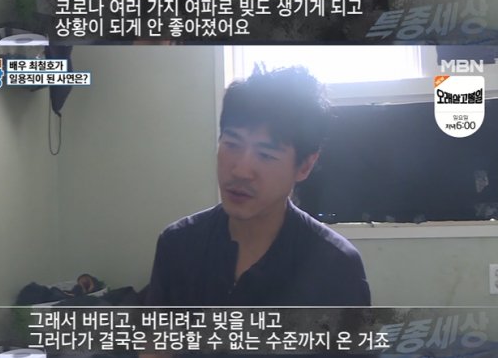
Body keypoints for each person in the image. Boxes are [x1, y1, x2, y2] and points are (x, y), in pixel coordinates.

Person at [145, 66, 371, 308]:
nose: (241, 171)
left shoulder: (335, 265)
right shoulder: (178, 244)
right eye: (232, 144)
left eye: (265, 155)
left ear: (305, 166)